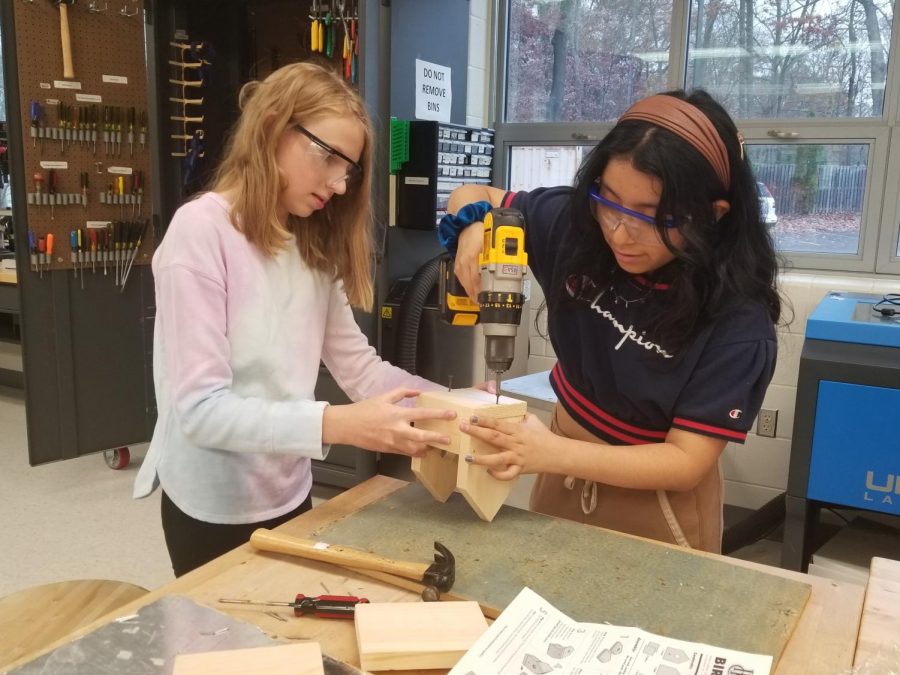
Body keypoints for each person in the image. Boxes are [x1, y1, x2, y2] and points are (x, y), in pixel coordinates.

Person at [134, 62, 456, 576]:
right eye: (327, 157)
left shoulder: (311, 242)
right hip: (210, 504)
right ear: (273, 129)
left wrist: (456, 407)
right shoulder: (200, 233)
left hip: (287, 492)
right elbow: (201, 410)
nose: (340, 184)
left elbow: (363, 371)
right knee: (228, 650)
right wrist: (341, 424)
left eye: (347, 168)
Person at [442, 90, 781, 553]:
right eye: (611, 201)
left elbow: (685, 462)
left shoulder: (737, 322)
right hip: (559, 473)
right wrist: (473, 225)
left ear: (713, 215)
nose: (620, 233)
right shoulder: (574, 225)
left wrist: (550, 453)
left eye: (651, 217)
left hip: (659, 504)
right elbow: (476, 193)